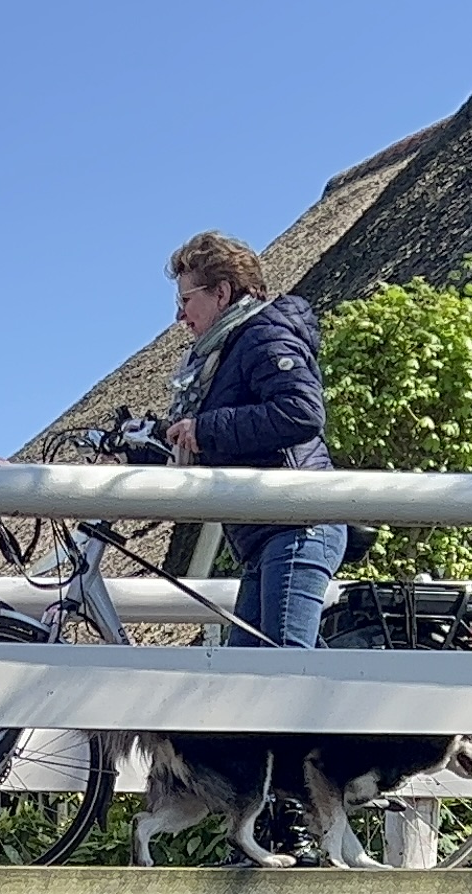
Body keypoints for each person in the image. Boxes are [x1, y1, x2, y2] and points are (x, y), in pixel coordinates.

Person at [156, 232, 339, 648]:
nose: (179, 317)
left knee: (277, 678)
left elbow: (302, 412)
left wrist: (204, 429)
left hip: (297, 524)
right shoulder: (226, 352)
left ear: (221, 292)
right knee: (246, 679)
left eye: (186, 301)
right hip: (267, 536)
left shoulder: (262, 336)